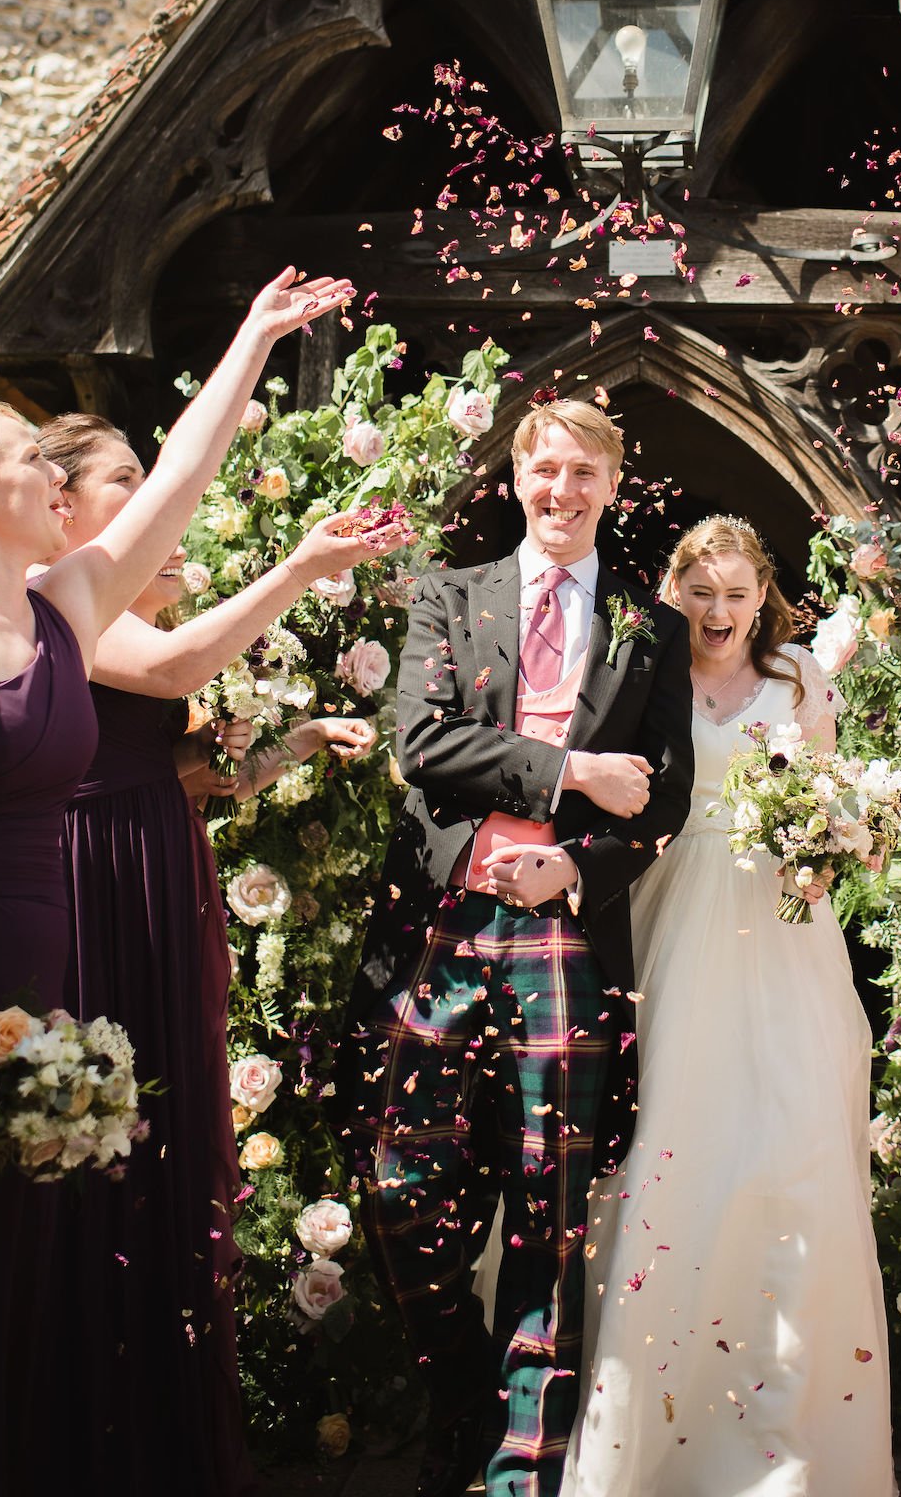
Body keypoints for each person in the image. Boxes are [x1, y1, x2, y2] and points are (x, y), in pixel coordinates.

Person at [0, 265, 352, 1497]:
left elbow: (178, 485)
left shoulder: (65, 606)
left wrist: (257, 334)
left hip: (49, 959)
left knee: (23, 1258)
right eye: (32, 467)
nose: (60, 482)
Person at [345, 397, 694, 1497]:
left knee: (547, 1204)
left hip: (563, 943)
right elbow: (422, 744)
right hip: (440, 926)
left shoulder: (652, 626)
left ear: (613, 482)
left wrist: (578, 866)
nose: (562, 490)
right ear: (514, 475)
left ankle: (520, 1470)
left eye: (584, 471)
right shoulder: (448, 595)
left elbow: (667, 796)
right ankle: (458, 1391)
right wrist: (570, 776)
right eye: (544, 468)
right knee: (402, 1181)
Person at [33, 409, 380, 1497]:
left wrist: (294, 739)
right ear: (62, 506)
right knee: (115, 1149)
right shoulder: (68, 606)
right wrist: (300, 566)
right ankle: (93, 1426)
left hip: (156, 869)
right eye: (124, 478)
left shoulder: (115, 607)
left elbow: (195, 777)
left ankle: (157, 1430)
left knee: (170, 1134)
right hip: (96, 884)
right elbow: (180, 661)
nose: (150, 499)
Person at [564, 514, 895, 1497]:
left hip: (784, 924)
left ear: (763, 597)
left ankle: (790, 1438)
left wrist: (835, 842)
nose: (717, 611)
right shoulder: (647, 670)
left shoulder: (798, 679)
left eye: (735, 593)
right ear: (675, 589)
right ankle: (659, 1429)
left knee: (793, 1144)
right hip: (678, 915)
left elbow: (830, 798)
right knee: (678, 1136)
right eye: (700, 591)